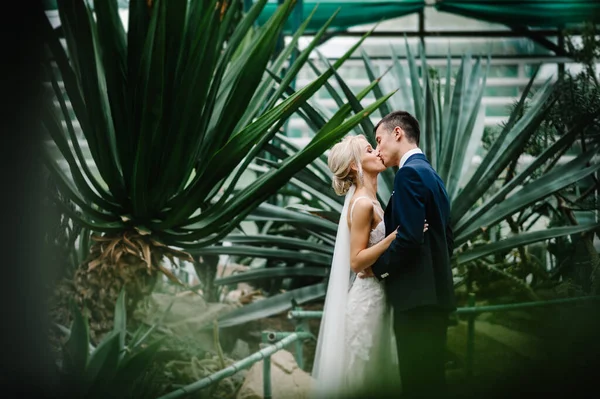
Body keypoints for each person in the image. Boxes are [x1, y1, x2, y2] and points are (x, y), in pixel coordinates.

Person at [311, 134, 427, 398]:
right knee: (362, 376)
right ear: (355, 165)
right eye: (369, 150)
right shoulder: (363, 204)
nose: (377, 152)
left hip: (380, 297)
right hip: (367, 303)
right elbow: (356, 261)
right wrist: (393, 238)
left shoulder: (371, 199)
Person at [365, 110, 456, 398]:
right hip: (434, 297)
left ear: (397, 134)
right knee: (432, 382)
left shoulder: (409, 174)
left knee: (417, 384)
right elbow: (446, 238)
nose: (378, 149)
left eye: (379, 140)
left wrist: (378, 269)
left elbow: (408, 239)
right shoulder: (431, 174)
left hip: (416, 302)